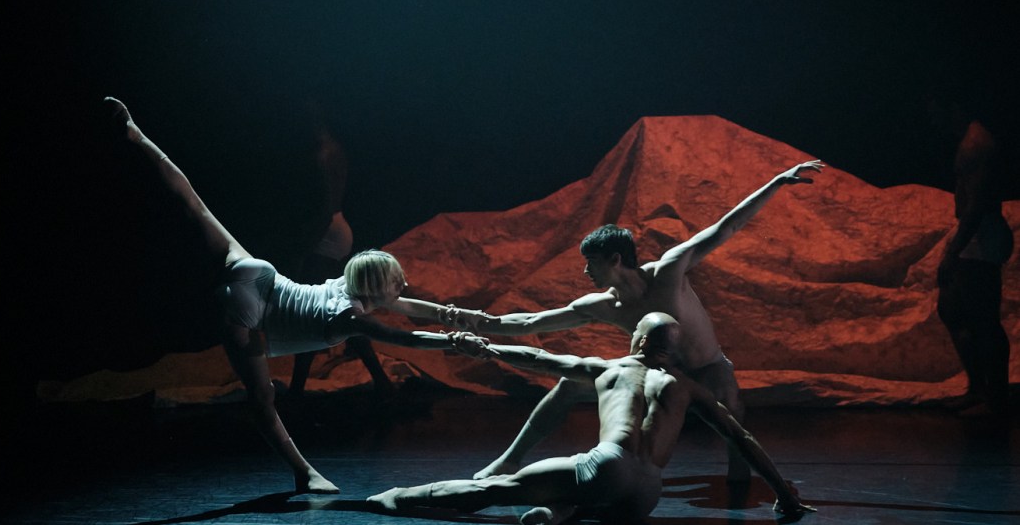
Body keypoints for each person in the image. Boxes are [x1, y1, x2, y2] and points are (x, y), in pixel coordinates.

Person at [102, 97, 490, 493]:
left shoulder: (350, 286)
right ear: (375, 289)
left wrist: (457, 317)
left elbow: (406, 307)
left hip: (261, 273)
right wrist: (454, 342)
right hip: (248, 306)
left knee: (196, 207)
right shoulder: (348, 315)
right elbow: (403, 336)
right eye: (395, 282)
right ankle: (305, 473)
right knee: (261, 397)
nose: (402, 287)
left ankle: (137, 135)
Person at [446, 160, 824, 481]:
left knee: (731, 413)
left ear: (614, 260)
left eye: (590, 263)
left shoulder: (670, 270)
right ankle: (510, 459)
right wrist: (476, 323)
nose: (584, 272)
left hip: (707, 369)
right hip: (654, 373)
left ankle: (740, 483)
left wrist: (775, 182)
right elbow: (531, 323)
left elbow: (727, 227)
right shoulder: (601, 304)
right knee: (567, 386)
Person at [368, 312, 815, 524]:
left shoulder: (611, 368)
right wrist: (785, 496)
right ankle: (556, 514)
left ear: (637, 338)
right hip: (647, 493)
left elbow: (540, 359)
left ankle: (398, 497)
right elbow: (742, 438)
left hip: (607, 465)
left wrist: (484, 347)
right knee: (584, 502)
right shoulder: (689, 388)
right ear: (671, 350)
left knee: (493, 490)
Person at [286, 120, 394, 397]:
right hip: (335, 226)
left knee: (315, 314)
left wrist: (305, 247)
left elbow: (323, 205)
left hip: (326, 231)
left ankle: (296, 391)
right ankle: (381, 381)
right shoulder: (335, 149)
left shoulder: (321, 154)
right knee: (336, 311)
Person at [931, 97, 1014, 417]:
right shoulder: (970, 141)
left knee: (984, 320)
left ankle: (995, 399)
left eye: (935, 110)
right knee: (951, 308)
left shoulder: (977, 144)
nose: (933, 119)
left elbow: (977, 204)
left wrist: (954, 250)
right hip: (976, 233)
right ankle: (979, 388)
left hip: (982, 232)